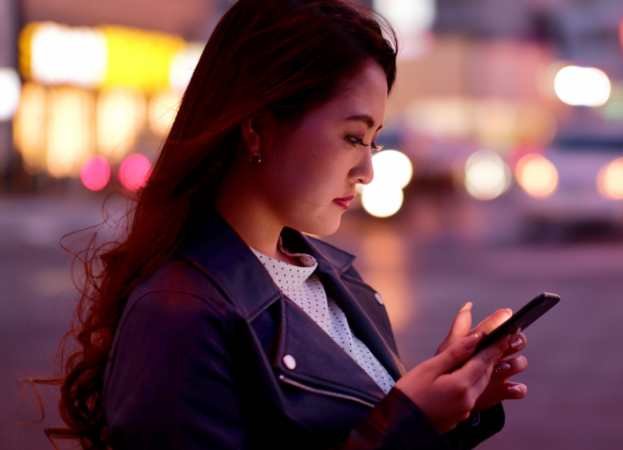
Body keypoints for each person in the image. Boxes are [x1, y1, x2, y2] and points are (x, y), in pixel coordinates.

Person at [47, 1, 529, 448]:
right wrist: (408, 423)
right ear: (258, 126)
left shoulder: (327, 277)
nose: (367, 172)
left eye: (374, 142)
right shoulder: (177, 313)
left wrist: (450, 410)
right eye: (352, 137)